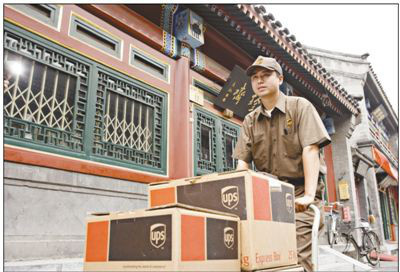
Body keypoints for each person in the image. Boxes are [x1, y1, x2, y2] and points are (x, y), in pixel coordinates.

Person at [233, 56, 331, 272]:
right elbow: (242, 165)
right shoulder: (250, 120)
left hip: (299, 198)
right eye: (255, 78)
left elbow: (311, 149)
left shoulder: (300, 107)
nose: (260, 81)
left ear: (280, 78)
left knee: (294, 258)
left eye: (266, 75)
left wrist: (308, 195)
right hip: (265, 199)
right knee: (243, 252)